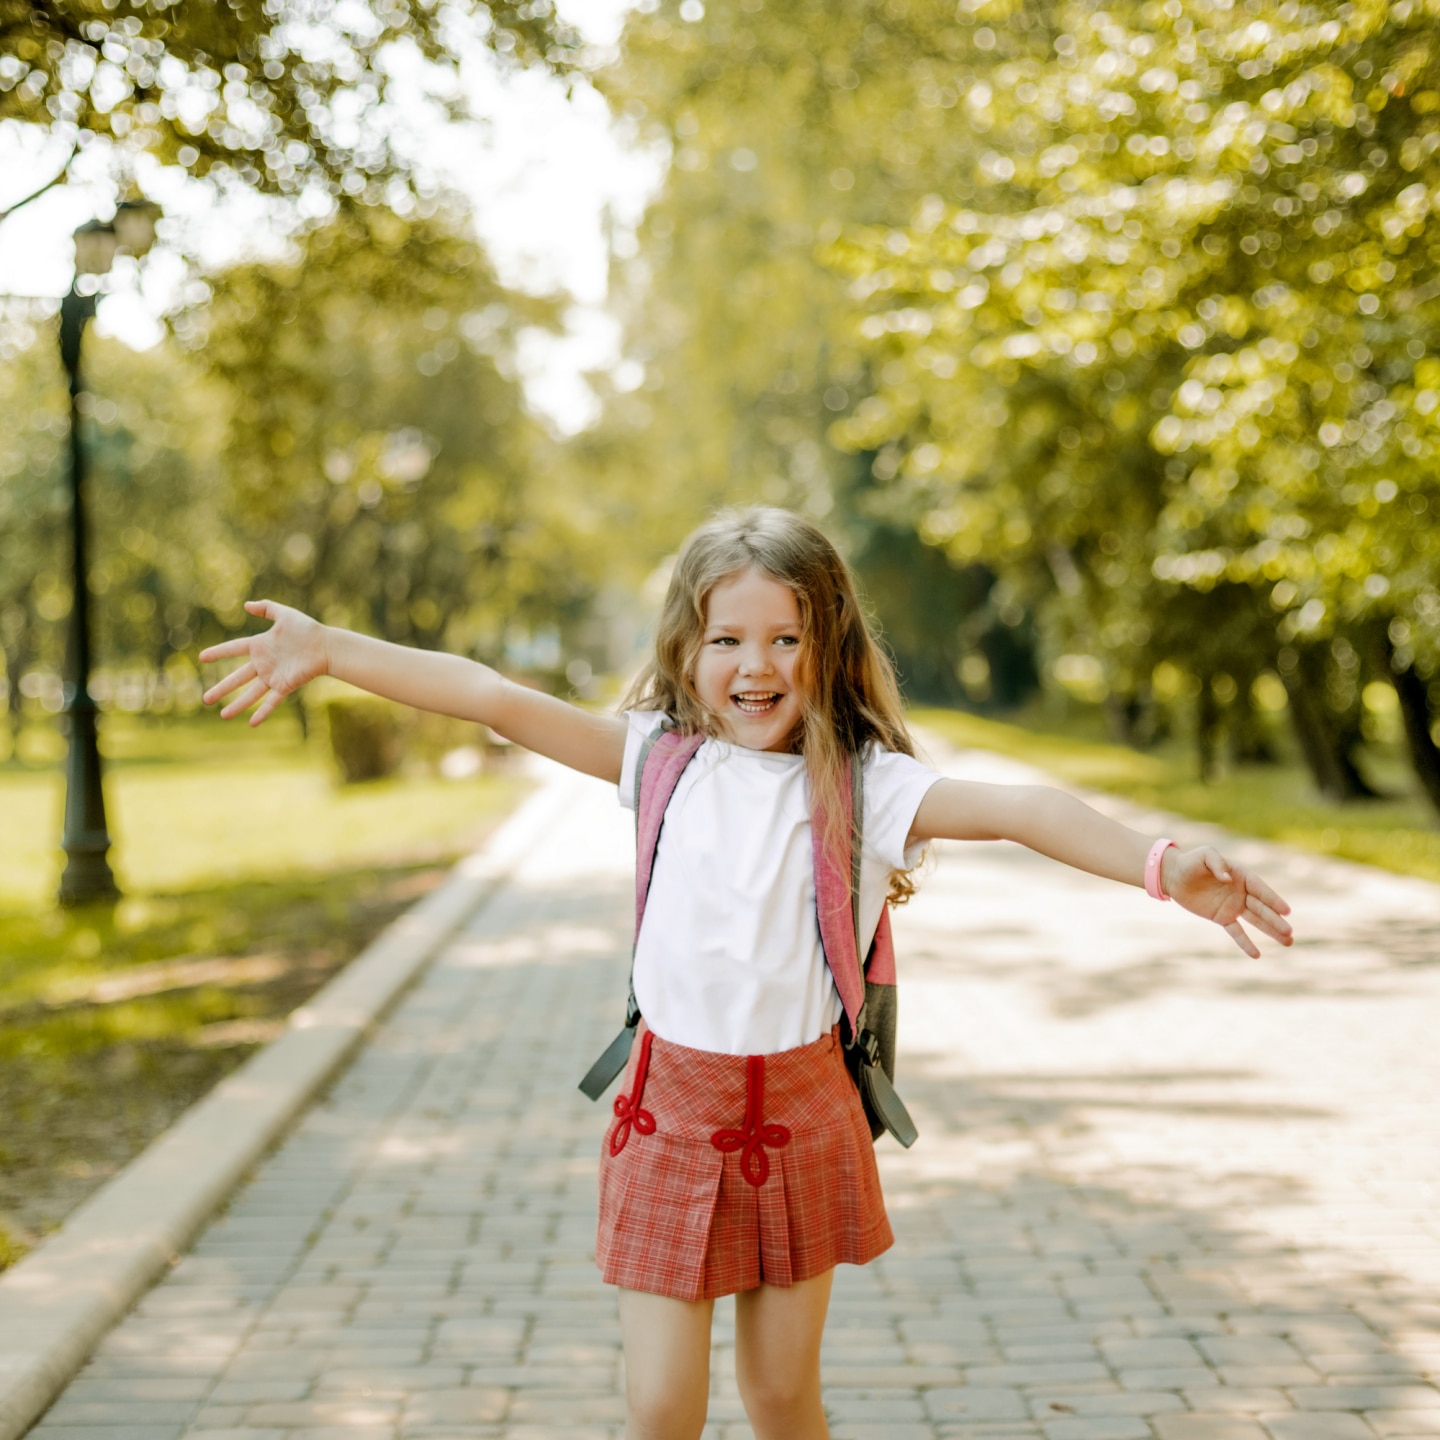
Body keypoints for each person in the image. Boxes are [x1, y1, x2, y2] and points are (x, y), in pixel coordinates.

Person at [200, 506, 1293, 1440]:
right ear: (686, 649)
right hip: (667, 1111)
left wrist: (1157, 865)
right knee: (663, 1411)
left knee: (780, 1400)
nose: (756, 666)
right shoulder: (654, 758)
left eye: (785, 638)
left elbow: (1020, 810)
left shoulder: (873, 788)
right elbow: (491, 696)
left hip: (804, 1112)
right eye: (728, 638)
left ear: (830, 648)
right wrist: (332, 648)